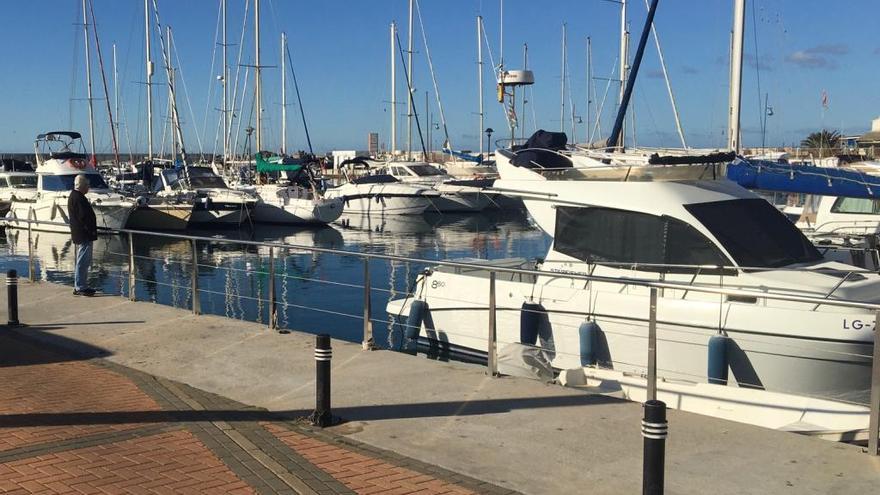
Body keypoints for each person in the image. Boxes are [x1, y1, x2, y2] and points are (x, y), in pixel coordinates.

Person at [68, 174, 97, 296]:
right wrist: (90, 230)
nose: (88, 188)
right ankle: (80, 286)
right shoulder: (78, 198)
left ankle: (80, 285)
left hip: (82, 234)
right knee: (83, 261)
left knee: (83, 260)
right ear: (82, 186)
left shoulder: (75, 196)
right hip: (84, 234)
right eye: (87, 186)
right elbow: (83, 217)